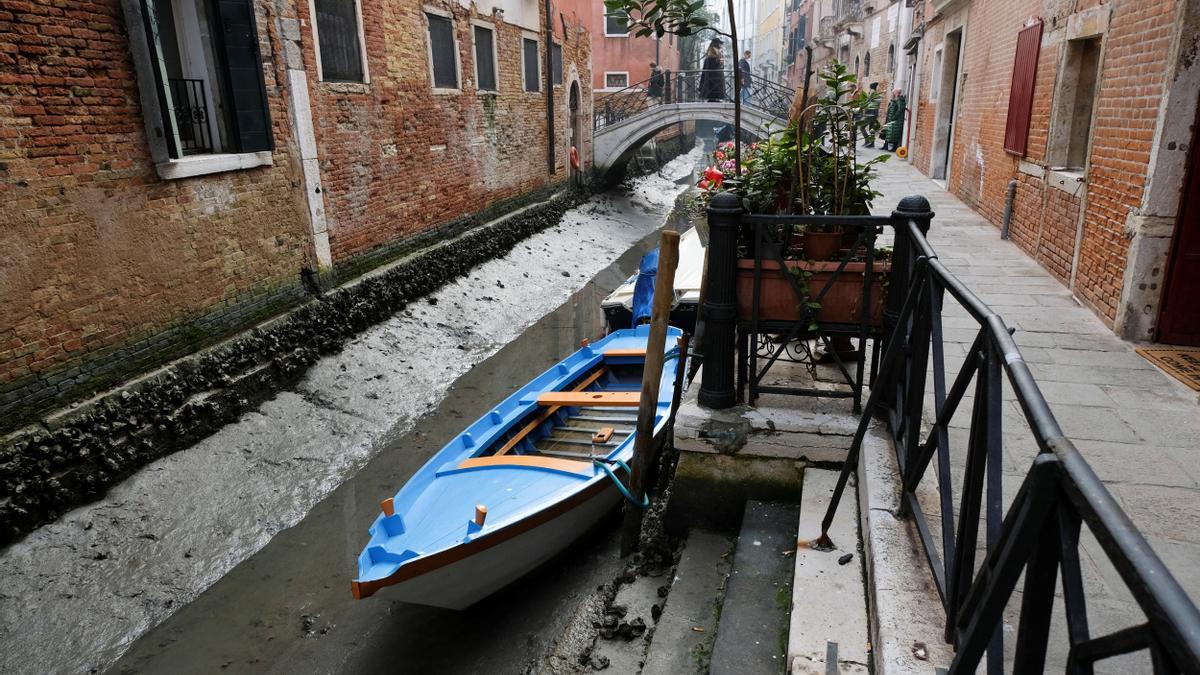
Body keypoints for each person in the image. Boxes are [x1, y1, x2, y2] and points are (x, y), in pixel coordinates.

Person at [883, 88, 906, 152]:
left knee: (894, 134)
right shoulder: (896, 99)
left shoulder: (899, 100)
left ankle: (894, 147)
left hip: (897, 120)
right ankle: (886, 146)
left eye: (893, 93)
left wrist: (894, 117)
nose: (892, 94)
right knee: (890, 133)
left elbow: (900, 109)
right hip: (895, 119)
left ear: (896, 93)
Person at [861, 82, 881, 147]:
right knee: (871, 128)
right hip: (874, 112)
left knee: (862, 127)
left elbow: (867, 101)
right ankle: (871, 143)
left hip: (871, 112)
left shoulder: (872, 92)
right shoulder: (877, 94)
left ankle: (867, 141)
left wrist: (862, 106)